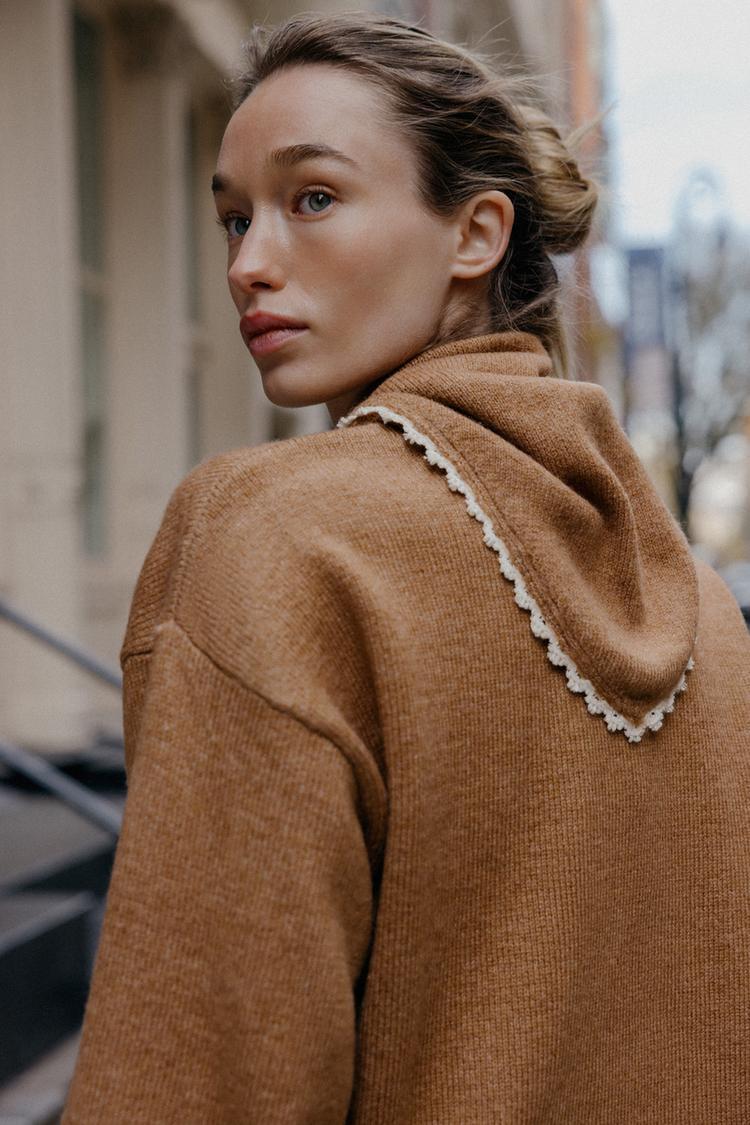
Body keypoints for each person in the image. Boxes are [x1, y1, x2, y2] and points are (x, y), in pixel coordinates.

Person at [62, 11, 750, 1124]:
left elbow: (208, 1070)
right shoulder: (706, 610)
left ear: (476, 233)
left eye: (312, 199)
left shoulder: (282, 536)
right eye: (234, 216)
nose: (247, 264)